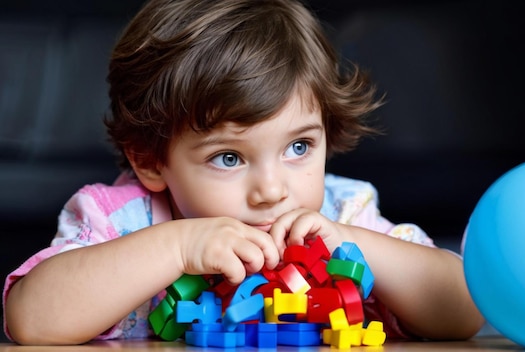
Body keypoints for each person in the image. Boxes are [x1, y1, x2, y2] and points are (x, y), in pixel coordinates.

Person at [3, 0, 484, 345]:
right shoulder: (123, 219)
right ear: (150, 160)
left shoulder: (343, 213)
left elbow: (465, 310)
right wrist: (179, 245)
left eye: (298, 146)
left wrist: (356, 247)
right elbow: (31, 320)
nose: (273, 191)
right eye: (228, 158)